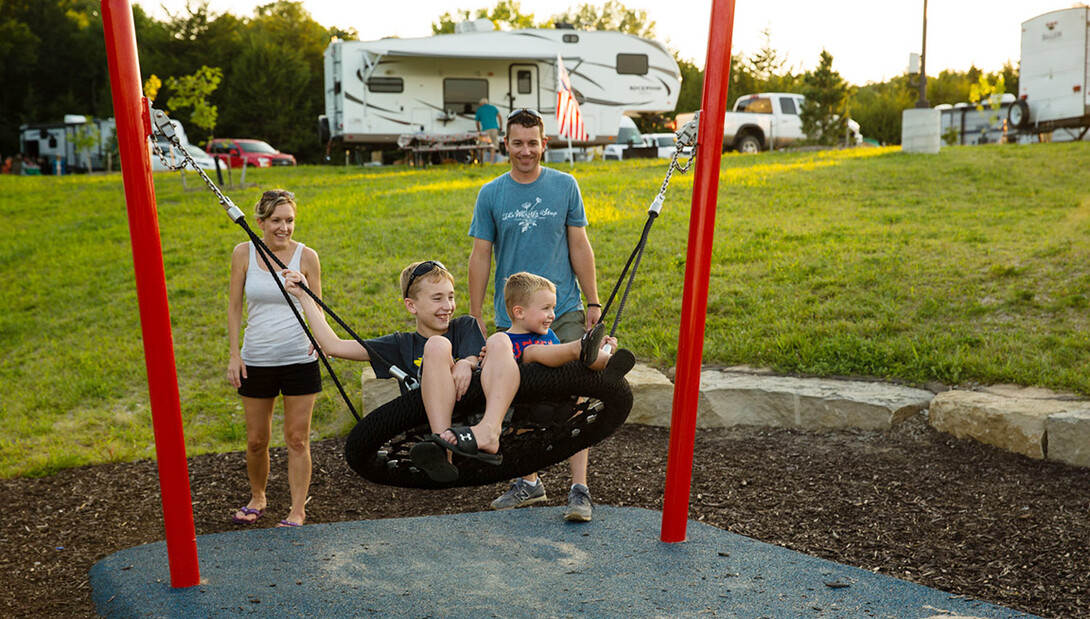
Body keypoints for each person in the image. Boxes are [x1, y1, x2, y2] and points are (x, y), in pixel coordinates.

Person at [468, 108, 604, 522]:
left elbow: (579, 246)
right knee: (520, 395)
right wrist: (474, 314)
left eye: (533, 142)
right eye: (517, 142)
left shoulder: (565, 185)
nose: (525, 151)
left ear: (545, 143)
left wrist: (592, 301)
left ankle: (579, 488)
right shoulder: (491, 193)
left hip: (560, 309)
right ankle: (529, 481)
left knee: (573, 392)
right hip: (512, 316)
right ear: (504, 144)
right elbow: (481, 255)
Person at [281, 260, 519, 481]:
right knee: (436, 346)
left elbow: (477, 357)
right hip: (431, 425)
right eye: (437, 298)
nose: (447, 306)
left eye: (451, 297)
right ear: (411, 305)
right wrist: (304, 296)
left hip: (477, 417)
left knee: (499, 340)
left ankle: (490, 431)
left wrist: (467, 364)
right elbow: (335, 346)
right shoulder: (399, 345)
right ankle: (442, 450)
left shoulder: (464, 326)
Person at [228, 189, 322, 528]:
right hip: (257, 358)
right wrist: (234, 354)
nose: (284, 228)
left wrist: (320, 341)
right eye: (276, 221)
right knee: (256, 441)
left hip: (299, 357)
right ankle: (258, 496)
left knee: (297, 439)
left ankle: (297, 510)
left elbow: (316, 307)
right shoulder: (243, 254)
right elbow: (235, 306)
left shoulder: (307, 257)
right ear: (260, 222)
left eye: (290, 220)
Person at [475, 98, 503, 164]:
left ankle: (482, 162)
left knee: (483, 146)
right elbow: (500, 117)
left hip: (485, 130)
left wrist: (479, 130)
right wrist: (500, 126)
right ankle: (491, 161)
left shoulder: (479, 109)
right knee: (493, 145)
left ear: (481, 104)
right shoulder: (493, 108)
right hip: (494, 128)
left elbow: (477, 122)